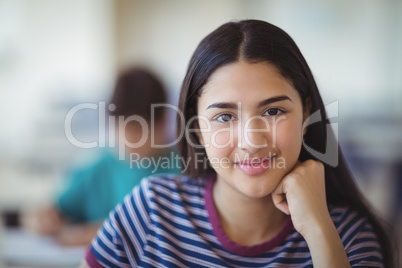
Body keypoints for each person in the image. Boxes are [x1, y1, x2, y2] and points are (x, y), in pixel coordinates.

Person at [81, 20, 395, 267]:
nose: (252, 141)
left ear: (306, 115)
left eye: (273, 111)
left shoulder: (347, 236)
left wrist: (317, 230)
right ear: (197, 128)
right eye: (224, 117)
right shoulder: (149, 211)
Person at [30, 67, 181, 246]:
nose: (129, 140)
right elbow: (50, 211)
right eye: (121, 127)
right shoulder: (96, 169)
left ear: (164, 121)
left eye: (139, 130)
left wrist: (104, 232)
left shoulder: (184, 170)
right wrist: (40, 218)